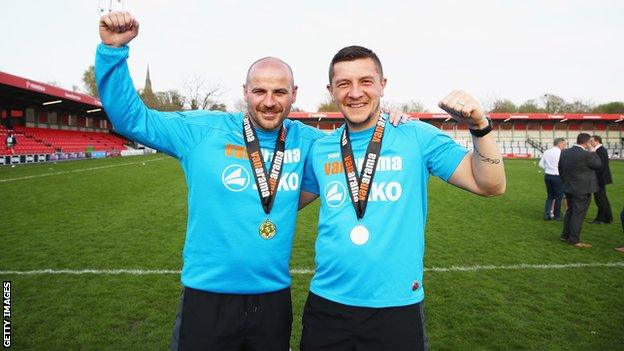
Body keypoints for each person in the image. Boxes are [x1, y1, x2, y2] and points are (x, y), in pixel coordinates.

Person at [95, 12, 406, 350]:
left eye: (279, 91)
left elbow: (356, 146)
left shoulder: (311, 142)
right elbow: (131, 119)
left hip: (273, 301)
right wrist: (113, 52)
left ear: (294, 94)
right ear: (245, 91)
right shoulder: (201, 132)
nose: (269, 101)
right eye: (259, 91)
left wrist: (389, 120)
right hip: (207, 297)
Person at [297, 45, 506, 351]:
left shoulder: (415, 136)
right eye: (344, 84)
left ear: (383, 85)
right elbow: (284, 206)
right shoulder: (322, 148)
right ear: (331, 90)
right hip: (327, 305)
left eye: (366, 81)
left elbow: (491, 185)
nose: (355, 92)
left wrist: (479, 125)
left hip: (396, 307)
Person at [558, 133, 601, 248]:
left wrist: (566, 182)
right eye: (590, 142)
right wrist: (592, 150)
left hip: (569, 187)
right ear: (586, 142)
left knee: (570, 211)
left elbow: (560, 169)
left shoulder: (564, 152)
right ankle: (574, 239)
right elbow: (598, 164)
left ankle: (565, 235)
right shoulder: (586, 154)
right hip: (582, 189)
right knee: (578, 214)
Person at [538, 138, 567, 220]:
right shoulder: (562, 153)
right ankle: (557, 215)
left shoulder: (547, 151)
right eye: (564, 144)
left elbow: (540, 164)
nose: (565, 146)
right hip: (557, 176)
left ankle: (547, 214)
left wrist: (548, 168)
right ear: (559, 143)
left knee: (550, 196)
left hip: (548, 176)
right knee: (559, 197)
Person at [588, 135, 613, 224]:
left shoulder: (600, 151)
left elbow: (600, 166)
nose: (590, 143)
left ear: (597, 141)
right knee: (603, 198)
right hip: (601, 178)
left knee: (600, 199)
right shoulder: (600, 150)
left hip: (599, 179)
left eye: (591, 141)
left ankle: (600, 219)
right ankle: (607, 217)